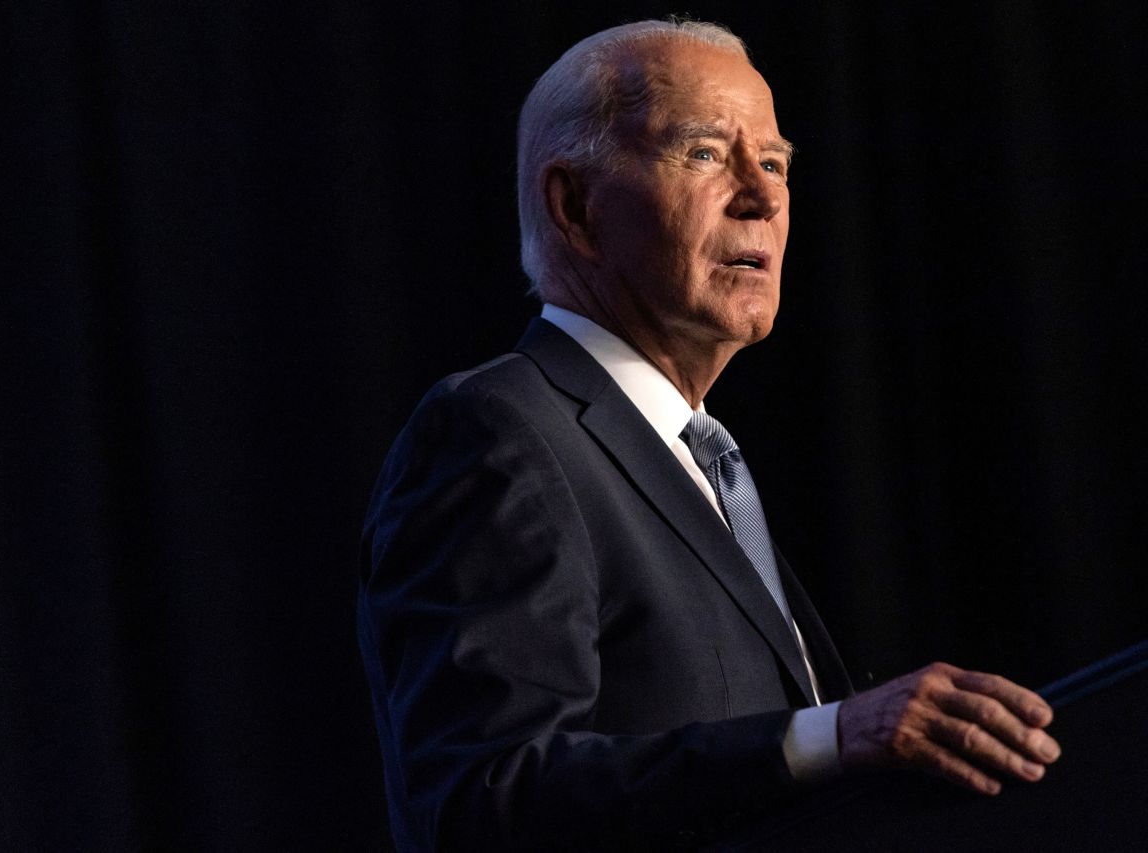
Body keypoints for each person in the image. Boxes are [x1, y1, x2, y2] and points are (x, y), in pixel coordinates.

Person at [358, 19, 1061, 851]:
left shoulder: (704, 461)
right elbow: (484, 800)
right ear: (574, 205)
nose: (761, 196)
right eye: (703, 154)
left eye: (773, 162)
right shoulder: (501, 432)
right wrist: (825, 737)